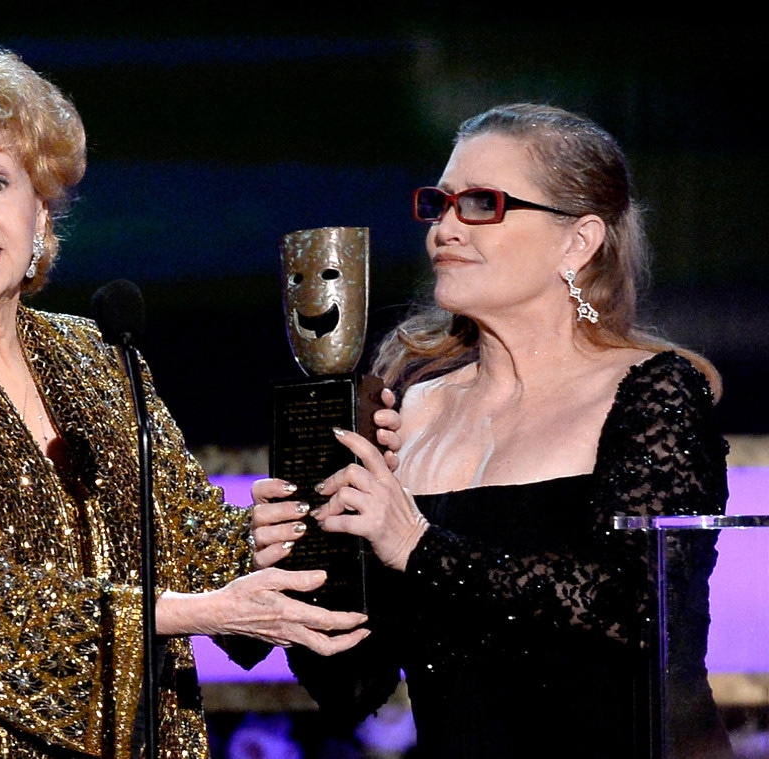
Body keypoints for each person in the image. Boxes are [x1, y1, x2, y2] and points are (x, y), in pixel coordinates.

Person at [0, 34, 388, 759]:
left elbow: (182, 541)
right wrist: (193, 612)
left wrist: (270, 535)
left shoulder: (97, 352)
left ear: (40, 212)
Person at [251, 103, 736, 758]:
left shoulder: (651, 393)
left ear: (579, 240)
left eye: (482, 204)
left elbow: (641, 612)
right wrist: (308, 562)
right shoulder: (409, 412)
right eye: (440, 204)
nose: (445, 229)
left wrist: (417, 544)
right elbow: (352, 686)